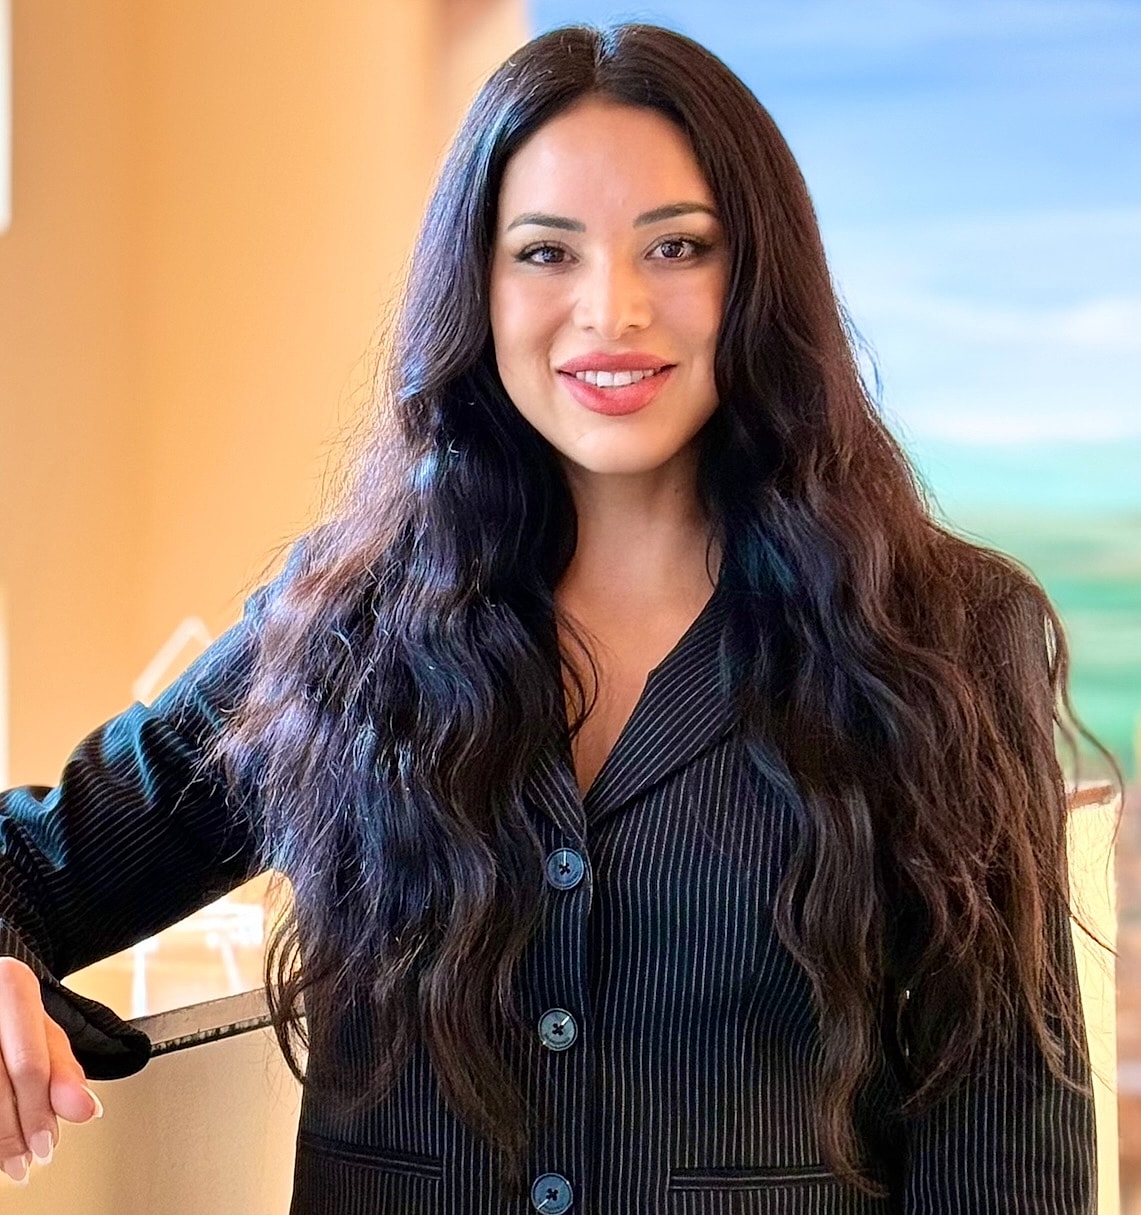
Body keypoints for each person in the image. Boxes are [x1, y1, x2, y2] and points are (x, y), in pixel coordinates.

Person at [0, 22, 1102, 1214]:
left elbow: (1006, 1139)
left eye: (676, 247)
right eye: (545, 252)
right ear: (477, 287)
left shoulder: (939, 634)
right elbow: (37, 864)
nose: (610, 310)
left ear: (757, 280)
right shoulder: (347, 629)